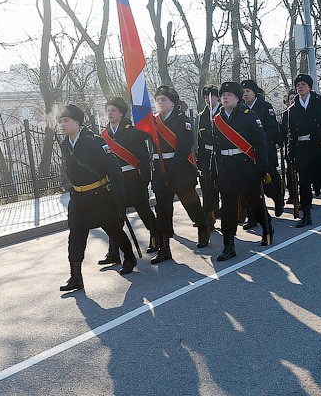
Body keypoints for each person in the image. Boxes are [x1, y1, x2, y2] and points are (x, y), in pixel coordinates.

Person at [57, 104, 136, 292]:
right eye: (60, 121)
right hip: (78, 197)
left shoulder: (95, 141)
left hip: (98, 195)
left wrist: (119, 198)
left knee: (113, 229)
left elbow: (114, 170)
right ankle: (76, 276)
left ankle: (129, 256)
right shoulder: (65, 144)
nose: (62, 124)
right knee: (75, 235)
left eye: (65, 121)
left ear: (77, 122)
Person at [211, 81, 272, 261]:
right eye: (223, 95)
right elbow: (214, 148)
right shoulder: (217, 119)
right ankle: (228, 245)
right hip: (226, 168)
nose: (225, 98)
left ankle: (267, 225)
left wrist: (262, 168)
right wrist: (213, 171)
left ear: (237, 98)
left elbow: (260, 145)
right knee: (228, 208)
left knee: (255, 204)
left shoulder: (249, 116)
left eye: (229, 95)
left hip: (246, 167)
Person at [151, 85, 210, 264]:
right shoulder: (152, 121)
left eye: (164, 99)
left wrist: (173, 170)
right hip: (160, 168)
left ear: (172, 103)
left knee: (190, 202)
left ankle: (202, 227)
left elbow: (184, 147)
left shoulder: (181, 119)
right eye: (158, 99)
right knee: (162, 208)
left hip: (180, 169)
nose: (160, 102)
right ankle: (164, 247)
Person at [97, 97, 157, 264]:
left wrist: (145, 179)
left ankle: (156, 238)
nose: (110, 113)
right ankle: (113, 252)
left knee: (144, 210)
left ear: (121, 113)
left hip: (133, 178)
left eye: (113, 110)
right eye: (108, 110)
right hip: (116, 181)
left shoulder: (132, 131)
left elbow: (144, 158)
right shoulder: (104, 135)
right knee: (114, 216)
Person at [286, 73, 321, 227]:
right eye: (298, 85)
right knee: (304, 182)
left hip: (319, 145)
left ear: (309, 87)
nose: (300, 87)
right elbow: (291, 132)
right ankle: (306, 214)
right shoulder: (292, 109)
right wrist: (291, 150)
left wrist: (320, 134)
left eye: (303, 84)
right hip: (302, 149)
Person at [241, 79, 285, 217]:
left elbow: (272, 128)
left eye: (248, 91)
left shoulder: (265, 106)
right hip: (247, 151)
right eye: (243, 92)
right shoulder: (240, 108)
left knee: (268, 175)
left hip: (265, 148)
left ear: (255, 92)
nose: (245, 94)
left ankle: (277, 197)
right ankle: (252, 215)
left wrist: (260, 141)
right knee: (248, 181)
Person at [197, 85, 221, 233]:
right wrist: (199, 159)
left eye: (210, 96)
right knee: (207, 188)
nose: (207, 99)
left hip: (221, 155)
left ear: (217, 97)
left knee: (223, 186)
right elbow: (199, 140)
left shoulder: (222, 111)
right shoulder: (202, 115)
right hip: (207, 155)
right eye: (205, 97)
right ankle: (209, 218)